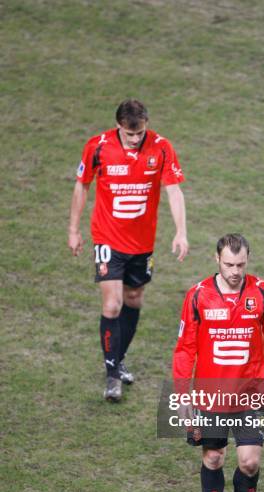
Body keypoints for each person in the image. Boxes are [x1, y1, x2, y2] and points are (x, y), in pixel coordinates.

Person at [173, 234, 264, 492]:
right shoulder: (198, 296)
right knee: (213, 458)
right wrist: (183, 396)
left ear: (248, 260)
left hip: (249, 395)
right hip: (210, 397)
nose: (235, 271)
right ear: (216, 260)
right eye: (228, 264)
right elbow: (185, 350)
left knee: (249, 463)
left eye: (240, 264)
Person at [68, 99, 188, 401]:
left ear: (146, 123)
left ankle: (117, 360)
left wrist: (181, 231)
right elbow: (82, 185)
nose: (135, 140)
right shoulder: (98, 147)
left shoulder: (161, 148)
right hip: (107, 238)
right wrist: (73, 229)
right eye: (128, 134)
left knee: (134, 298)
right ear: (118, 127)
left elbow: (173, 189)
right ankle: (112, 378)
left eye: (139, 133)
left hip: (142, 243)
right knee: (112, 305)